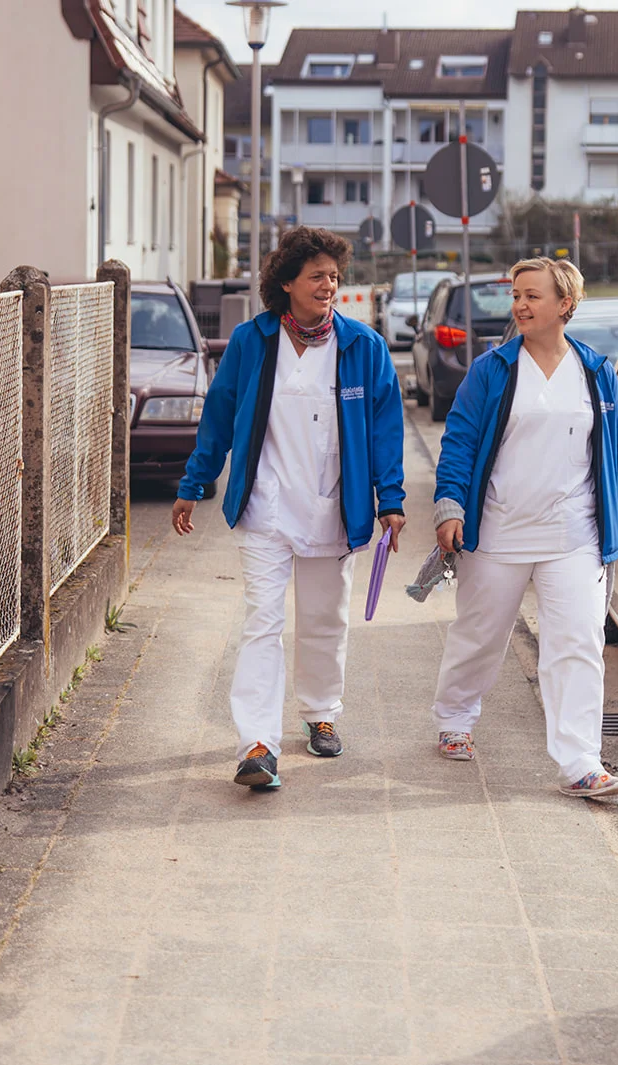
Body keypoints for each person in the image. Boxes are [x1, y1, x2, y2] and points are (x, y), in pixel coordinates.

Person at [172, 226, 406, 791]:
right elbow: (220, 417)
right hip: (267, 509)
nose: (329, 285)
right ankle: (256, 742)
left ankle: (321, 711)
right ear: (287, 283)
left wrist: (390, 501)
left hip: (334, 508)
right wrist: (195, 482)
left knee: (325, 619)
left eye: (334, 275)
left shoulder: (363, 348)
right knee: (262, 622)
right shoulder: (253, 343)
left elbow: (384, 431)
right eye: (317, 276)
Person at [429, 257, 618, 798]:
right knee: (481, 637)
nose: (521, 305)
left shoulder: (595, 371)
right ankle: (455, 718)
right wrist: (449, 505)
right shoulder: (493, 370)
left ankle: (580, 762)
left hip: (574, 536)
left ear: (564, 305)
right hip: (499, 534)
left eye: (532, 296)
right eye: (517, 296)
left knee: (576, 644)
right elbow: (459, 440)